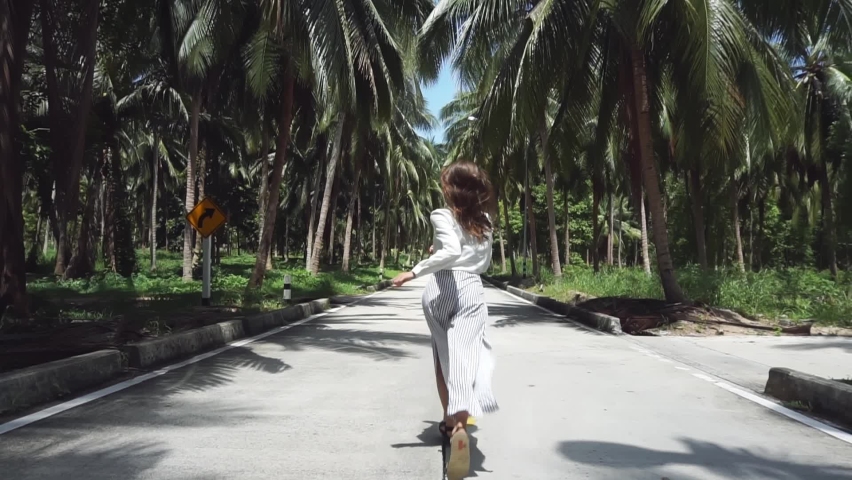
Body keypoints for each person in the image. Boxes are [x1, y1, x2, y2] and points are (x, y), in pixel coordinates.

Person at [391, 161, 498, 480]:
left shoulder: (441, 214)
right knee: (465, 359)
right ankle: (461, 427)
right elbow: (477, 258)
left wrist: (415, 270)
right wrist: (439, 249)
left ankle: (451, 424)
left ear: (450, 188)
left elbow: (450, 251)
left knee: (443, 358)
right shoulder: (486, 220)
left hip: (440, 288)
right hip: (470, 289)